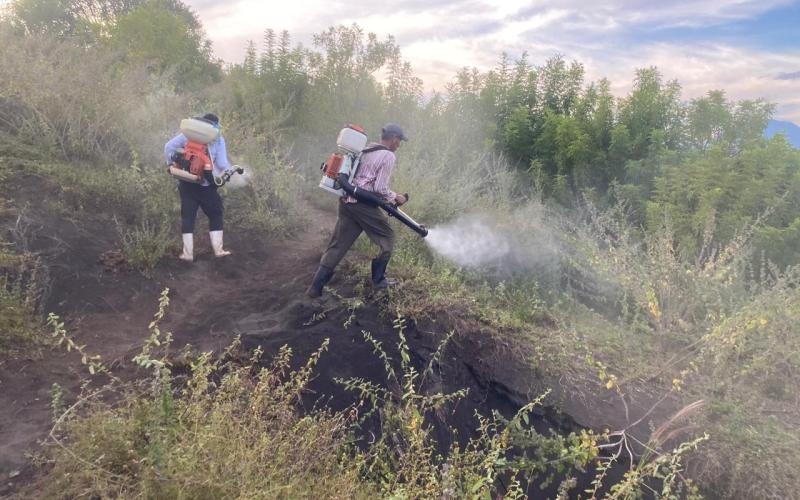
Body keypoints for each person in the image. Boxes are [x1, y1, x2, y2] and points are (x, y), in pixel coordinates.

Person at [306, 123, 408, 298]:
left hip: (347, 202)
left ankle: (314, 290)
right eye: (399, 141)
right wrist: (396, 197)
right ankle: (379, 281)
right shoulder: (388, 156)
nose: (399, 145)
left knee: (338, 245)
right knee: (387, 237)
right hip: (363, 205)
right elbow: (380, 188)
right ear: (393, 139)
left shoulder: (366, 150)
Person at [164, 112, 232, 261]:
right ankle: (218, 251)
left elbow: (169, 146)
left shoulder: (189, 134)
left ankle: (187, 254)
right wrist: (229, 173)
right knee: (215, 215)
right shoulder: (218, 139)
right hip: (207, 185)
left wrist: (170, 164)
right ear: (215, 126)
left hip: (187, 182)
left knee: (188, 217)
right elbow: (222, 164)